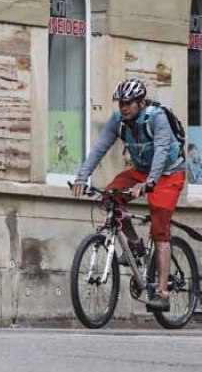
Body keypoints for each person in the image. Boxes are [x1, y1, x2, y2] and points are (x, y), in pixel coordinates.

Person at [71, 78, 186, 312]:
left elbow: (163, 151)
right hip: (142, 171)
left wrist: (149, 183)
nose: (123, 107)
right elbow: (100, 148)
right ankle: (135, 246)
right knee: (110, 196)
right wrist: (82, 177)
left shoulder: (157, 118)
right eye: (121, 103)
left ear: (141, 102)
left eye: (129, 103)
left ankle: (163, 293)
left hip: (169, 173)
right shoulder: (118, 121)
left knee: (160, 225)